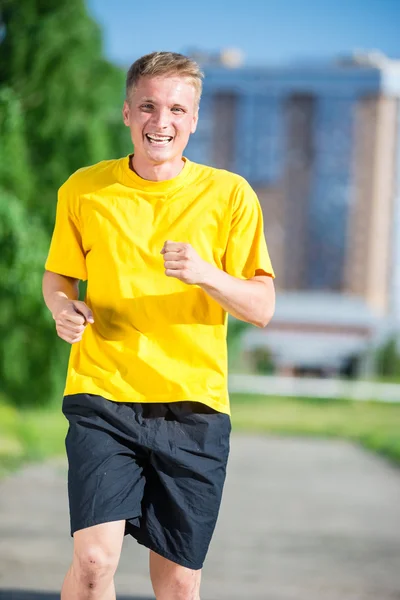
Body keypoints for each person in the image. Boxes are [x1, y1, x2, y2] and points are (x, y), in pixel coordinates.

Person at [42, 51, 275, 600]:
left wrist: (206, 274)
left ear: (195, 118)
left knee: (177, 584)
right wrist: (62, 310)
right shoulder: (85, 190)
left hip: (193, 407)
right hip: (103, 394)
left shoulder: (231, 195)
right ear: (127, 113)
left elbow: (261, 307)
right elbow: (58, 279)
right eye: (148, 106)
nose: (161, 121)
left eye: (176, 109)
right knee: (95, 561)